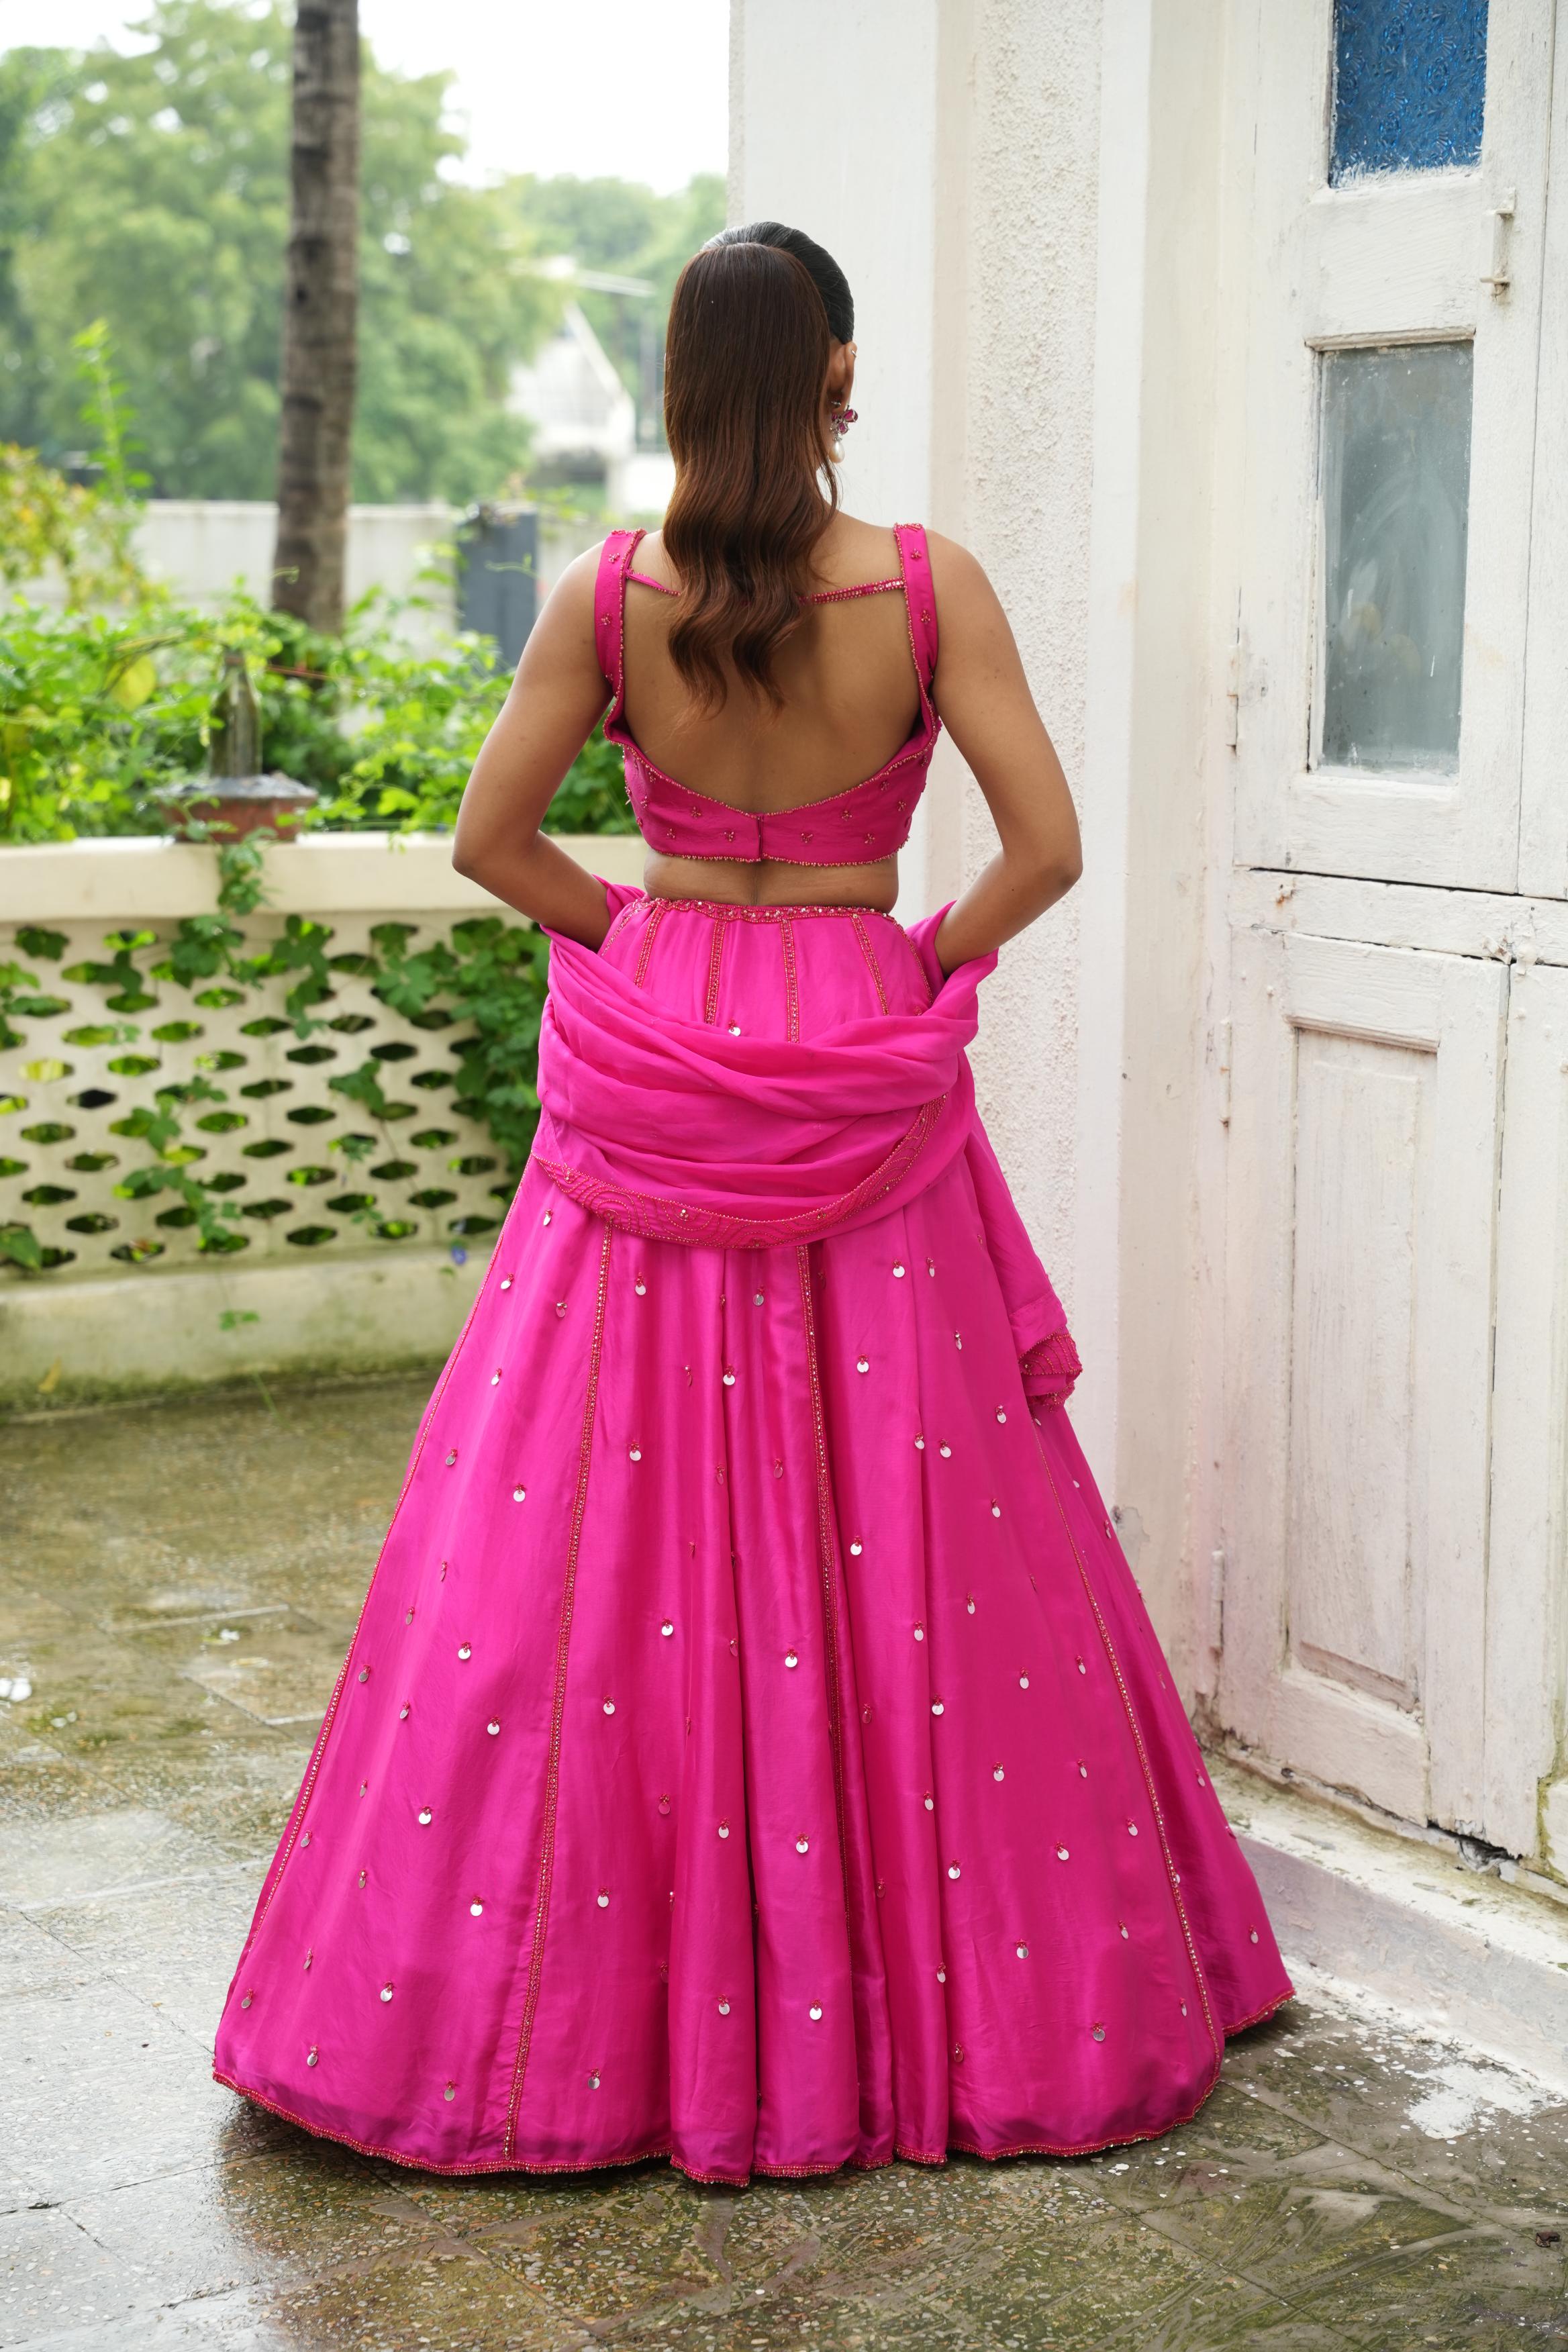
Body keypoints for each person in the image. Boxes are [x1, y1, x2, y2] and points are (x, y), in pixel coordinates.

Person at [215, 223, 1289, 2184]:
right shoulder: (929, 586)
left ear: (683, 387)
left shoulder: (607, 595)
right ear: (835, 374)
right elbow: (1044, 846)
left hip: (661, 1039)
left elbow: (488, 837)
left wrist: (632, 928)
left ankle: (567, 2038)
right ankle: (975, 2006)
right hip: (861, 1041)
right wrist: (916, 971)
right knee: (927, 1503)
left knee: (581, 1522)